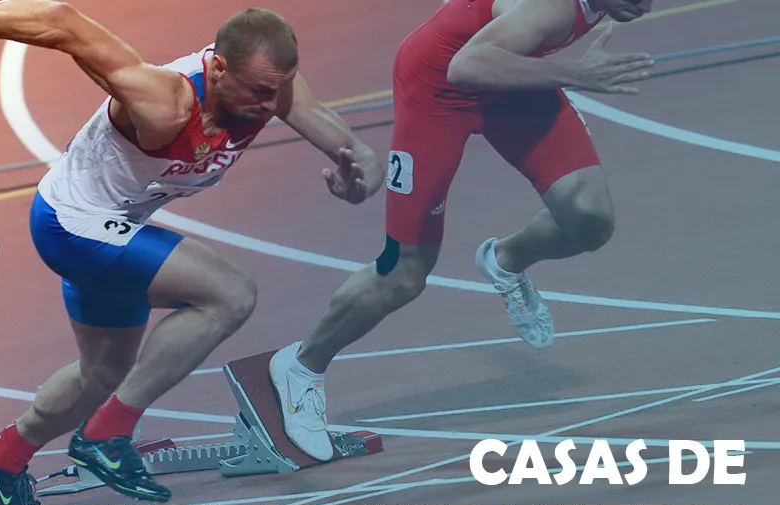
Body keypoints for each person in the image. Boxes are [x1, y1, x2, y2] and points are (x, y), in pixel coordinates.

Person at [0, 0, 385, 505]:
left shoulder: (274, 88)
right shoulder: (164, 100)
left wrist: (359, 183)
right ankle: (108, 434)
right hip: (72, 225)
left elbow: (357, 151)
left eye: (277, 90)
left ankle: (3, 458)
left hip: (117, 228)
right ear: (217, 68)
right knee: (229, 293)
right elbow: (62, 22)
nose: (269, 104)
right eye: (258, 91)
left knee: (101, 375)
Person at [255, 0, 655, 462]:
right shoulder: (551, 8)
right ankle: (300, 368)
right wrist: (579, 74)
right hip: (440, 89)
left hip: (510, 80)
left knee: (589, 218)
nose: (644, 4)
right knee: (404, 271)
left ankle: (506, 261)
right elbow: (466, 65)